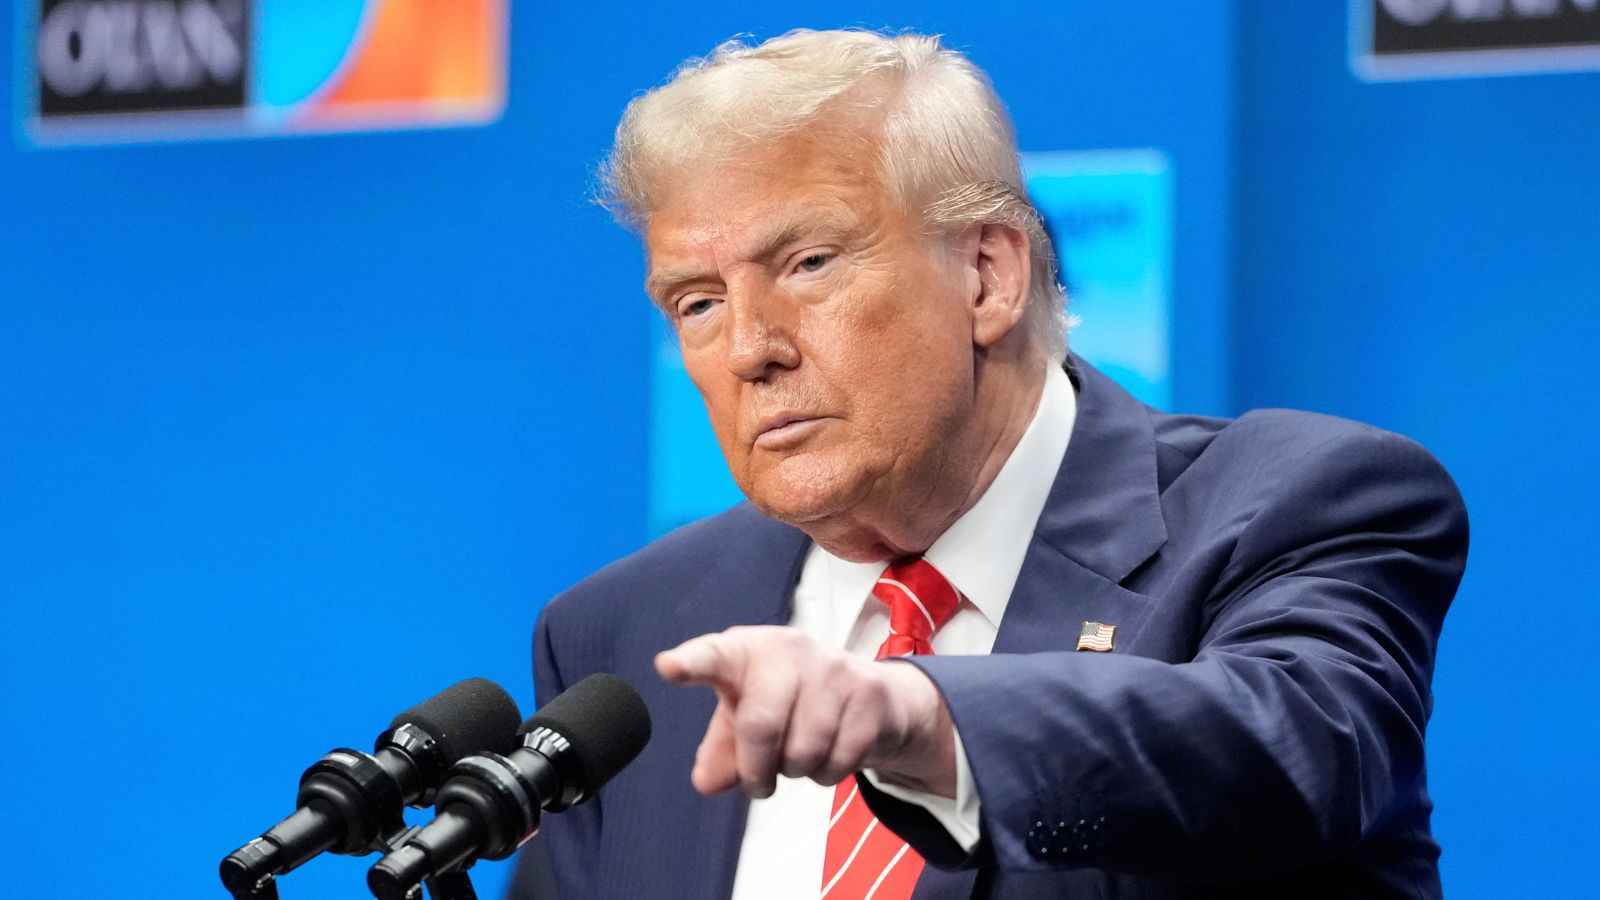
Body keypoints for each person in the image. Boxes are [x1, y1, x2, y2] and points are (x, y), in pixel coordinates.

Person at [509, 29, 1467, 900]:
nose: (750, 347)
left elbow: (1295, 748)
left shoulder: (1299, 502)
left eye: (808, 264)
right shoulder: (624, 632)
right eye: (697, 302)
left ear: (987, 275)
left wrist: (922, 714)